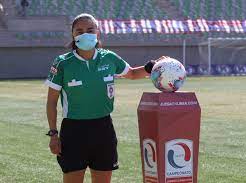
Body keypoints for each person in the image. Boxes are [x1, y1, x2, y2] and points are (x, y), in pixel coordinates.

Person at [45, 13, 160, 183]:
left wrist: (154, 65)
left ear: (98, 33)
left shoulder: (109, 57)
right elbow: (51, 101)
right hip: (74, 131)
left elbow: (133, 74)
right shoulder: (62, 63)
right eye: (79, 31)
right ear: (73, 35)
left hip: (103, 129)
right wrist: (54, 134)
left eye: (90, 29)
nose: (85, 34)